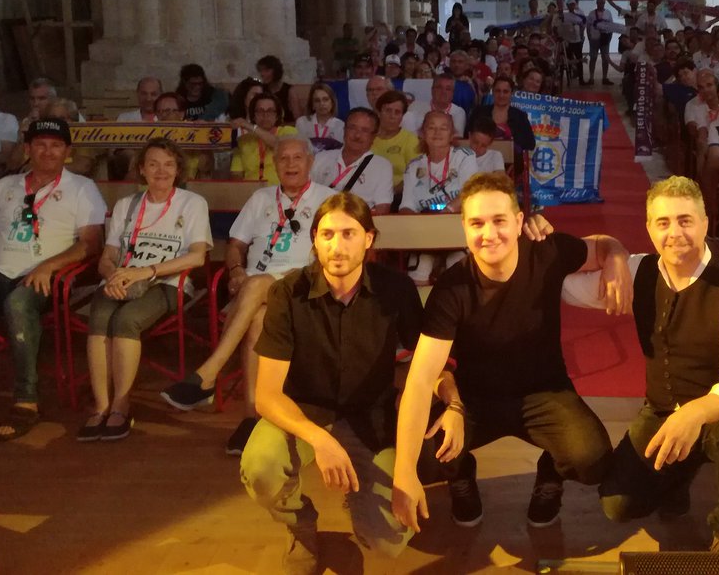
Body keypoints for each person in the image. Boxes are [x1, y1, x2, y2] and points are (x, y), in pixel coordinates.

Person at [392, 172, 631, 533]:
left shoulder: (547, 253)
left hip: (544, 392)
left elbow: (602, 245)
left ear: (520, 221)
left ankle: (550, 475)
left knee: (592, 460)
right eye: (477, 223)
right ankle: (461, 476)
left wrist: (616, 260)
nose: (489, 234)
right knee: (422, 458)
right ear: (464, 228)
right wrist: (403, 474)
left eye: (500, 221)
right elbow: (421, 377)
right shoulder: (452, 287)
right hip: (473, 399)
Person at [239, 192, 464, 571]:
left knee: (390, 539)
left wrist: (454, 403)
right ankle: (301, 527)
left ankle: (361, 503)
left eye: (348, 234)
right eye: (326, 235)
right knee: (260, 467)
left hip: (369, 417)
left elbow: (430, 363)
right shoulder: (287, 292)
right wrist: (321, 439)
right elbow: (266, 396)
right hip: (304, 414)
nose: (336, 245)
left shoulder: (396, 290)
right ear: (314, 239)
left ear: (369, 239)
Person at [597, 177, 719, 552]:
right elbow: (560, 284)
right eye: (663, 223)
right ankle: (678, 478)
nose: (675, 232)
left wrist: (692, 415)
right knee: (617, 505)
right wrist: (609, 250)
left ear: (705, 224)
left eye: (685, 220)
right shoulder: (637, 271)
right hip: (662, 408)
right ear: (648, 228)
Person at [161, 137, 335, 453]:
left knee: (256, 287)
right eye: (284, 159)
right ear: (275, 164)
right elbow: (236, 246)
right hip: (254, 291)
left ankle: (209, 374)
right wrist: (236, 270)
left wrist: (252, 280)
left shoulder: (329, 200)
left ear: (310, 163)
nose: (291, 164)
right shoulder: (260, 198)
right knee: (256, 316)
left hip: (306, 286)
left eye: (298, 158)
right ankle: (252, 417)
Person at [0, 118, 105, 439]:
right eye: (40, 144)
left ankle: (26, 401)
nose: (48, 151)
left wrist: (49, 266)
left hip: (48, 280)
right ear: (27, 149)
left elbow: (91, 243)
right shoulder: (6, 186)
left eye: (56, 145)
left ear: (67, 151)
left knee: (18, 303)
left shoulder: (82, 188)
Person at [80, 138, 211, 442]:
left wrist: (146, 271)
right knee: (99, 320)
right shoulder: (127, 205)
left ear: (178, 169)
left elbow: (197, 256)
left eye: (168, 164)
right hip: (121, 281)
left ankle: (121, 405)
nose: (161, 171)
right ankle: (101, 405)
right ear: (141, 170)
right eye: (152, 164)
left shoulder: (192, 204)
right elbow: (107, 256)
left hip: (167, 282)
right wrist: (113, 275)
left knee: (126, 321)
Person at [399, 111, 478, 283]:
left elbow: (470, 192)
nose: (437, 133)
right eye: (431, 128)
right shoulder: (413, 166)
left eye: (443, 128)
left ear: (452, 134)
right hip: (424, 233)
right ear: (422, 133)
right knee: (418, 271)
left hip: (459, 230)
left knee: (457, 269)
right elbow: (407, 206)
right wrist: (422, 227)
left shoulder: (465, 157)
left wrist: (446, 213)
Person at [309, 108, 394, 214]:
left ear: (374, 136)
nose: (357, 135)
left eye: (365, 130)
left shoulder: (382, 166)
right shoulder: (321, 158)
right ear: (344, 130)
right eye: (352, 128)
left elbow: (382, 210)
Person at [230, 92, 298, 184]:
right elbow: (236, 174)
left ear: (277, 115)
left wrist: (251, 126)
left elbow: (279, 145)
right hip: (252, 193)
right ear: (253, 116)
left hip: (280, 191)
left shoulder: (288, 132)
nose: (265, 115)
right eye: (260, 111)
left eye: (270, 111)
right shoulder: (243, 140)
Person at [467, 73, 537, 156]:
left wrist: (511, 144)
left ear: (512, 93)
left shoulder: (520, 116)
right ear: (492, 91)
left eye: (505, 91)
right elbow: (467, 137)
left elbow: (530, 144)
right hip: (479, 161)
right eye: (498, 91)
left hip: (511, 163)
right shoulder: (479, 113)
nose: (501, 95)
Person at [372, 90, 419, 195]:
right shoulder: (367, 137)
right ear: (379, 112)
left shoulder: (410, 140)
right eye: (388, 110)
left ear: (402, 116)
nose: (392, 116)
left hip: (398, 196)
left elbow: (415, 174)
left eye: (397, 112)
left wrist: (390, 193)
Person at [295, 81, 345, 153]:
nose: (322, 104)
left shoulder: (340, 125)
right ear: (312, 105)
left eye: (325, 99)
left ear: (332, 102)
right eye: (317, 100)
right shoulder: (302, 122)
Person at [256, 54, 295, 124]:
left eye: (266, 70)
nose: (262, 74)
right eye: (261, 71)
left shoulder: (289, 90)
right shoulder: (260, 89)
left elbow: (297, 119)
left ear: (276, 71)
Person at [587, 0, 615, 84]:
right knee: (593, 58)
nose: (601, 4)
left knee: (605, 59)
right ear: (596, 3)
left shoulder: (608, 13)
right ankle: (591, 78)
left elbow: (611, 26)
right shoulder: (591, 14)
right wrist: (589, 38)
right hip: (594, 39)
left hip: (605, 39)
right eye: (599, 2)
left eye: (602, 2)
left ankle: (604, 78)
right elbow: (588, 27)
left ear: (604, 3)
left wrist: (610, 38)